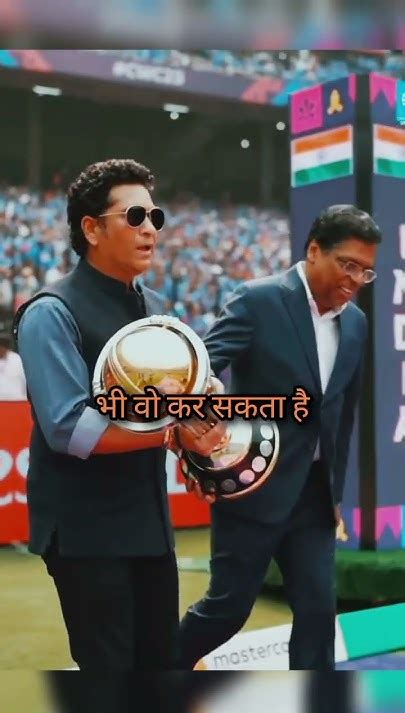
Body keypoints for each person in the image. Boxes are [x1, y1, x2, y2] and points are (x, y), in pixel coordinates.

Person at [13, 159, 225, 671]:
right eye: (134, 216)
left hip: (149, 524)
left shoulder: (157, 308)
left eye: (155, 216)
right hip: (85, 533)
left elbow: (182, 400)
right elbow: (71, 429)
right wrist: (174, 434)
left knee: (159, 666)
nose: (150, 228)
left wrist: (201, 428)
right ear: (91, 228)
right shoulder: (50, 312)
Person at [179, 204, 382, 670]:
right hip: (251, 486)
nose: (355, 279)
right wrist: (202, 441)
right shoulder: (258, 300)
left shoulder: (356, 323)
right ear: (314, 251)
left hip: (313, 497)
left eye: (365, 271)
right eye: (347, 264)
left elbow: (342, 414)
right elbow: (201, 370)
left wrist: (334, 493)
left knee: (318, 614)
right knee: (227, 611)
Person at [0, 321, 27, 400]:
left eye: (4, 343)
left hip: (16, 403)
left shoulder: (18, 360)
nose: (1, 347)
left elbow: (26, 384)